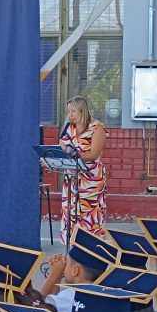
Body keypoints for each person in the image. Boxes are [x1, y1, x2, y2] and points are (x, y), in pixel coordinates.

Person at [57, 96, 108, 242]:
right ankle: (72, 246)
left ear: (82, 110)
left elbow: (94, 153)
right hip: (72, 178)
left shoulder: (97, 128)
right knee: (71, 211)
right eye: (69, 111)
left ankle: (92, 246)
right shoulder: (68, 127)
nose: (70, 115)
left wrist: (74, 155)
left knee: (89, 213)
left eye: (73, 111)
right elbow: (61, 148)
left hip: (91, 178)